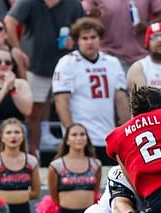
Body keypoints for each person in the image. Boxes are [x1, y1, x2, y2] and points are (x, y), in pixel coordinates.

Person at [4, 0, 85, 157]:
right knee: (33, 111)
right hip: (36, 65)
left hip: (67, 67)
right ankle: (33, 152)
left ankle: (74, 153)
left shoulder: (73, 4)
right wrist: (16, 49)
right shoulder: (28, 2)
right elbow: (9, 21)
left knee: (72, 107)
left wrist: (75, 40)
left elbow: (83, 28)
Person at [52, 17, 131, 165]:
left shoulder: (112, 63)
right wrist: (71, 134)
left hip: (108, 136)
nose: (89, 42)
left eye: (93, 37)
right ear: (77, 40)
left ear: (100, 39)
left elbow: (121, 100)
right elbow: (61, 101)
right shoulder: (67, 63)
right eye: (84, 38)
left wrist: (127, 133)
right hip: (81, 139)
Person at [81, 0, 161, 73]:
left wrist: (149, 25)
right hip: (111, 56)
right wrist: (90, 13)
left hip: (142, 57)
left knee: (143, 95)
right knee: (120, 95)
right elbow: (84, 8)